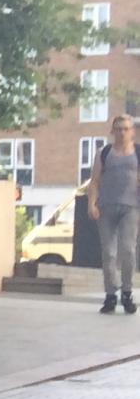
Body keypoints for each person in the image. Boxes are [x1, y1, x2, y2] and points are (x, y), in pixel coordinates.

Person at [86, 113, 140, 313]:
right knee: (108, 253)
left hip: (131, 207)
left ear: (132, 132)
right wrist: (92, 204)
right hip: (106, 207)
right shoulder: (104, 152)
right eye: (118, 129)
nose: (122, 132)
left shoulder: (138, 153)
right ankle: (110, 294)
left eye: (126, 129)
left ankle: (126, 292)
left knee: (128, 250)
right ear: (112, 131)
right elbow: (95, 181)